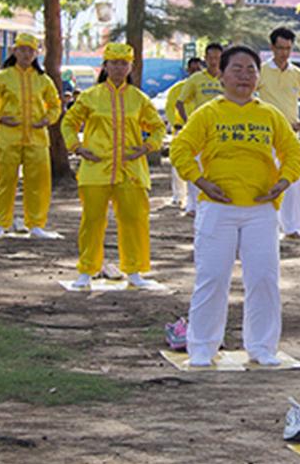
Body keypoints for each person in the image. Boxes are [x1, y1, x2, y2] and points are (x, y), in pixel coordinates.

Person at [170, 45, 300, 367]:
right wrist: (200, 182)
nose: (244, 76)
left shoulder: (270, 115)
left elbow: (293, 153)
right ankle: (202, 347)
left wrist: (283, 181)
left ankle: (262, 347)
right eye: (237, 69)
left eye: (251, 70)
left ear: (258, 78)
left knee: (264, 279)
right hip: (218, 209)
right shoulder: (208, 113)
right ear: (222, 76)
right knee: (213, 277)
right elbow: (181, 149)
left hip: (260, 210)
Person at [62, 43, 166, 289]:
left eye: (124, 64)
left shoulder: (138, 98)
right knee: (92, 221)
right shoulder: (90, 96)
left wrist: (147, 147)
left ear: (130, 67)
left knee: (134, 220)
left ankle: (135, 271)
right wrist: (77, 147)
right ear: (105, 66)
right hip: (96, 168)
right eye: (114, 63)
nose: (119, 68)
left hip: (131, 170)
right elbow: (68, 122)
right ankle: (87, 270)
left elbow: (158, 127)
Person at [0, 33, 62, 239]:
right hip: (9, 138)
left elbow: (55, 104)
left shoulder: (43, 80)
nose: (26, 54)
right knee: (6, 181)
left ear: (36, 54)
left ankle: (36, 224)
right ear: (14, 51)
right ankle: (0, 223)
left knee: (38, 183)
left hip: (37, 138)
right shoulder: (2, 77)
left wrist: (47, 119)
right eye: (22, 50)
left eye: (30, 51)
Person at [257, 26, 300, 240]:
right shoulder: (262, 71)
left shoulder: (296, 73)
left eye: (288, 48)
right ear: (272, 47)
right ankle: (267, 225)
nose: (284, 53)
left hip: (291, 135)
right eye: (280, 48)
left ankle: (292, 228)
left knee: (293, 180)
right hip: (265, 134)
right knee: (266, 178)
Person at [176, 43, 224, 215]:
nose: (214, 61)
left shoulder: (227, 78)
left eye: (217, 58)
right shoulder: (196, 79)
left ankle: (214, 203)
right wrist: (188, 122)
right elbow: (180, 102)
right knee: (196, 166)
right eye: (211, 58)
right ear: (205, 58)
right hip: (200, 130)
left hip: (223, 131)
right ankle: (193, 205)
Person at [165, 57, 202, 207]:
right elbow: (170, 108)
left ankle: (196, 199)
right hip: (181, 130)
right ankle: (178, 196)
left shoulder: (205, 86)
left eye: (198, 69)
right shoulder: (177, 89)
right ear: (187, 70)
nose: (195, 72)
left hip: (201, 131)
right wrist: (177, 124)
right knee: (178, 163)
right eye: (192, 70)